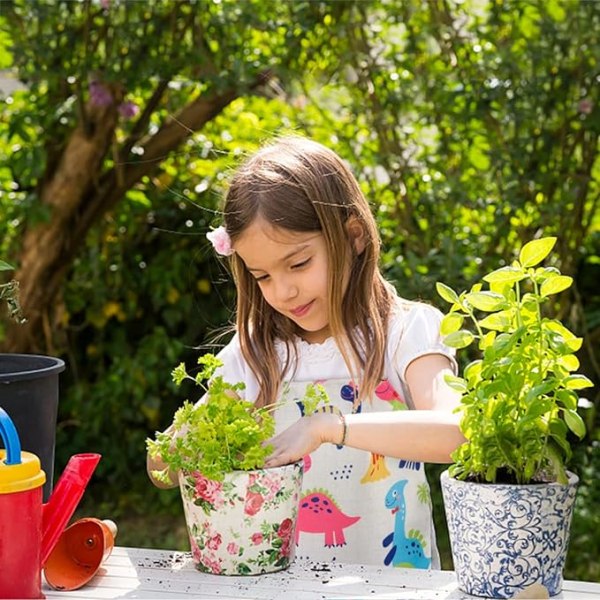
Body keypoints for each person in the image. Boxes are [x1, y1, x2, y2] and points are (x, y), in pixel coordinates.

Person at [147, 136, 464, 569]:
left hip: (396, 587)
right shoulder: (258, 352)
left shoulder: (404, 331)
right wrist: (181, 445)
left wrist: (326, 427)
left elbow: (459, 433)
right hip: (281, 586)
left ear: (352, 236)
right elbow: (162, 469)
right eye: (262, 276)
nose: (284, 291)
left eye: (298, 264)